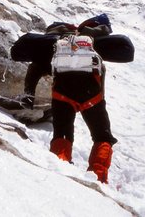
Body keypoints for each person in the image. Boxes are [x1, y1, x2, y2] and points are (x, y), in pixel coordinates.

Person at [22, 14, 117, 184]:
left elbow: (34, 68)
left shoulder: (57, 47)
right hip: (92, 97)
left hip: (62, 95)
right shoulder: (93, 45)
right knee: (102, 137)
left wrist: (29, 96)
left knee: (62, 135)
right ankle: (99, 177)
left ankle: (60, 169)